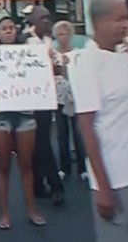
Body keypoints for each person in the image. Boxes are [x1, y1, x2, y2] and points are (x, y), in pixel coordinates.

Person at [72, 0, 128, 241]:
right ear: (98, 22)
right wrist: (103, 188)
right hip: (117, 179)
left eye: (126, 18)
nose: (125, 25)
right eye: (117, 19)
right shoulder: (87, 62)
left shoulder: (124, 55)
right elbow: (86, 127)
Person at [0, 16, 45, 230]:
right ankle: (4, 213)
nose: (8, 32)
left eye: (11, 28)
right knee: (3, 166)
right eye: (3, 28)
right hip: (1, 116)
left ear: (16, 30)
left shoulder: (29, 51)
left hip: (25, 114)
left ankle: (32, 209)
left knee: (26, 164)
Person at [23, 6, 65, 206]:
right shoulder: (25, 41)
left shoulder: (49, 42)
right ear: (33, 21)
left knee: (43, 143)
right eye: (42, 18)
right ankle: (39, 184)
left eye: (48, 18)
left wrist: (56, 68)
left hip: (45, 99)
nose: (47, 22)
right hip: (27, 99)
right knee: (31, 145)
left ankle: (55, 185)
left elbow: (57, 66)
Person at [51, 21, 86, 182]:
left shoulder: (78, 53)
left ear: (70, 35)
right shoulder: (51, 53)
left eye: (64, 34)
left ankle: (82, 168)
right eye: (58, 34)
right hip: (58, 98)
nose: (61, 37)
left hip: (76, 96)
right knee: (61, 133)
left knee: (79, 134)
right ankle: (64, 167)